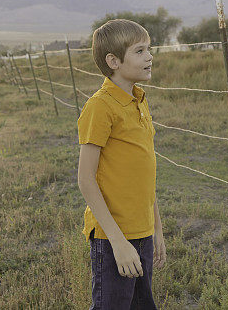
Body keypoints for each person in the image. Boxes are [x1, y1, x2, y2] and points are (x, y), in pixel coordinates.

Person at [77, 19, 166, 309]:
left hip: (143, 233)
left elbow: (144, 176)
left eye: (149, 49)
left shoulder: (139, 100)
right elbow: (86, 180)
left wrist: (157, 230)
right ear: (113, 61)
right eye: (140, 51)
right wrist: (117, 243)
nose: (149, 56)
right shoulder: (100, 107)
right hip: (112, 237)